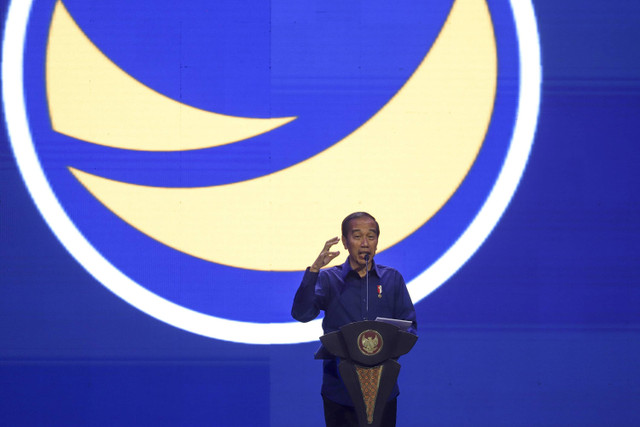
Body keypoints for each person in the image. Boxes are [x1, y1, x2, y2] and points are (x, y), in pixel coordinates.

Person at [291, 212, 417, 427]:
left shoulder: (392, 279)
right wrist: (314, 271)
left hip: (382, 388)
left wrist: (382, 348)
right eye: (357, 236)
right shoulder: (329, 279)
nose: (365, 243)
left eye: (371, 236)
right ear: (346, 242)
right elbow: (302, 314)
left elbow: (411, 328)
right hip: (339, 390)